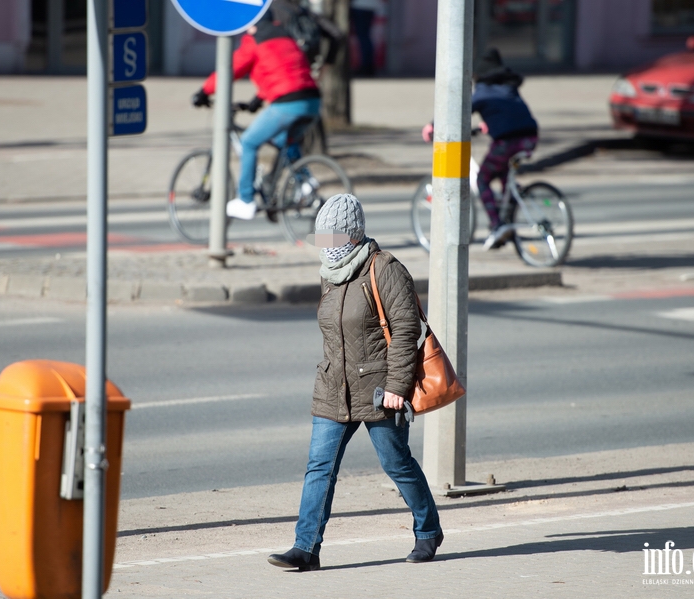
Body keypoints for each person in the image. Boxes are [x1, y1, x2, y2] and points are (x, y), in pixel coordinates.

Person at [267, 193, 443, 571]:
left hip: (380, 390)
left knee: (397, 463)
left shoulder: (385, 268)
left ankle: (428, 531)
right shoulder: (329, 274)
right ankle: (306, 548)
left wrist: (397, 388)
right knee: (319, 467)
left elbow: (407, 328)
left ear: (352, 234)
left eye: (332, 235)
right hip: (334, 387)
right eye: (321, 235)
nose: (326, 244)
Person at [193, 9, 320, 221]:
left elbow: (231, 68)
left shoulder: (255, 40)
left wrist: (204, 91)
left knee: (249, 142)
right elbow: (282, 70)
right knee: (283, 140)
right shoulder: (285, 36)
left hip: (287, 103)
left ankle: (245, 200)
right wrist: (257, 100)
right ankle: (305, 182)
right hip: (312, 100)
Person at [422, 48, 539, 250]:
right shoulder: (509, 87)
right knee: (503, 172)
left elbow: (458, 109)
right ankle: (510, 202)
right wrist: (489, 125)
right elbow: (508, 112)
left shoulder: (482, 92)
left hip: (507, 141)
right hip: (530, 136)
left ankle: (498, 225)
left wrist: (433, 125)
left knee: (482, 178)